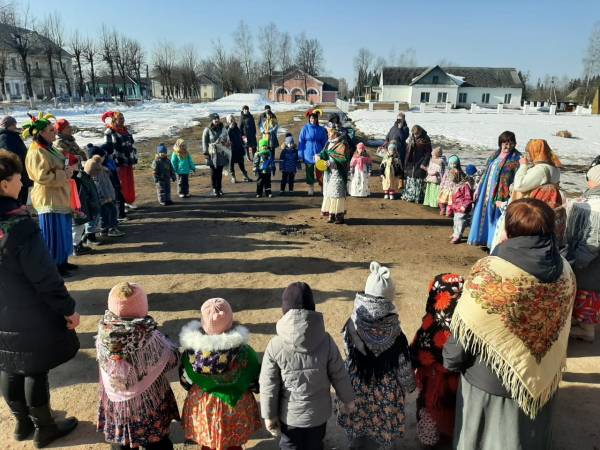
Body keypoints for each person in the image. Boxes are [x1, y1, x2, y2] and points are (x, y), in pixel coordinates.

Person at [444, 199, 577, 450]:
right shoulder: (566, 272)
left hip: (488, 384)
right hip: (541, 379)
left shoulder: (491, 272)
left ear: (510, 231)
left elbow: (466, 328)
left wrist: (451, 360)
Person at [0, 148, 80, 448]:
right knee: (34, 367)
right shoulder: (18, 226)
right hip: (28, 312)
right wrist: (67, 308)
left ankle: (21, 423)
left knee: (8, 364)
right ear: (4, 184)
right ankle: (44, 427)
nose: (23, 182)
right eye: (18, 178)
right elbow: (44, 277)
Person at [259, 282, 356, 450]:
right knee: (315, 445)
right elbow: (339, 373)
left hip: (289, 417)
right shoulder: (326, 341)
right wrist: (348, 400)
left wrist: (269, 415)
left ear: (284, 309)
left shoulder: (275, 345)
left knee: (290, 446)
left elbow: (268, 384)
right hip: (317, 417)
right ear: (312, 307)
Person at [338, 262, 416, 449]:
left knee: (357, 419)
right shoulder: (396, 333)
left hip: (356, 384)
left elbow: (347, 352)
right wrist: (410, 385)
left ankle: (356, 444)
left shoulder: (351, 324)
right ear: (389, 300)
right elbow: (403, 366)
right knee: (382, 423)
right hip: (386, 393)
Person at [97, 282, 180, 450]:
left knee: (124, 442)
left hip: (118, 405)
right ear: (143, 308)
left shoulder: (103, 336)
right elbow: (171, 359)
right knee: (157, 443)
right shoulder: (149, 337)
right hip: (149, 405)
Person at [179, 298, 261, 449]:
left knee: (208, 444)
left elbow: (185, 381)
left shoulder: (191, 352)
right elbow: (255, 382)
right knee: (233, 445)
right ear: (230, 320)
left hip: (204, 406)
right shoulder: (244, 351)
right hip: (235, 406)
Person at [410, 274, 464, 447]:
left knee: (430, 417)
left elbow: (415, 353)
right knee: (453, 417)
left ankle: (429, 442)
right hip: (457, 388)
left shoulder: (429, 324)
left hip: (432, 387)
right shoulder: (466, 329)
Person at [23, 113, 77, 277]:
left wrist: (69, 169)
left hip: (59, 195)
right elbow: (41, 177)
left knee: (63, 231)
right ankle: (53, 265)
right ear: (41, 133)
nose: (54, 132)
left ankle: (62, 261)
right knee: (53, 233)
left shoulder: (49, 147)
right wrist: (65, 174)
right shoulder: (37, 152)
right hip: (49, 198)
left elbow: (60, 165)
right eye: (50, 130)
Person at [467, 131, 521, 248]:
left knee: (496, 217)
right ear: (500, 143)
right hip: (486, 190)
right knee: (484, 214)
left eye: (511, 143)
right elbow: (486, 171)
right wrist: (478, 188)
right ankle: (482, 239)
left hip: (501, 193)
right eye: (505, 143)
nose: (508, 146)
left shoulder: (517, 158)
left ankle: (493, 243)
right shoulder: (494, 155)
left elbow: (518, 177)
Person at [565, 162, 600, 342]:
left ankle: (587, 331)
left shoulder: (597, 205)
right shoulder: (590, 199)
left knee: (588, 292)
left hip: (591, 261)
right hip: (587, 258)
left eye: (590, 179)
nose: (587, 182)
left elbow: (595, 238)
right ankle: (583, 324)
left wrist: (579, 258)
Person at [103, 111, 137, 217]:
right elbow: (109, 148)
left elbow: (131, 143)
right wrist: (114, 161)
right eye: (120, 118)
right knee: (120, 184)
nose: (122, 120)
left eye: (123, 118)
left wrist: (133, 156)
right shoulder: (110, 132)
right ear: (114, 120)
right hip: (118, 163)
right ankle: (121, 204)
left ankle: (128, 201)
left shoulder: (126, 130)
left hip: (128, 161)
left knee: (129, 182)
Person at [317, 126, 350, 224]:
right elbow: (324, 153)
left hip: (338, 173)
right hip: (328, 173)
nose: (328, 134)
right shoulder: (328, 143)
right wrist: (318, 157)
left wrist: (331, 163)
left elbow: (343, 160)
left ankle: (339, 215)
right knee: (329, 193)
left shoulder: (343, 144)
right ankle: (331, 215)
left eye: (329, 132)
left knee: (337, 194)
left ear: (335, 133)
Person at [87, 155, 125, 238]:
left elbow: (107, 185)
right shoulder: (97, 173)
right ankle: (110, 229)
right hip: (105, 198)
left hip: (108, 196)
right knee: (108, 213)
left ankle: (106, 229)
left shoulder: (102, 171)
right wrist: (106, 197)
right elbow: (100, 187)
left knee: (108, 213)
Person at [0, 115, 32, 204]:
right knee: (18, 201)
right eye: (14, 124)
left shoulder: (10, 136)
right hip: (15, 177)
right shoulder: (6, 138)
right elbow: (9, 158)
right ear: (10, 125)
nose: (15, 126)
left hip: (19, 176)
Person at [74, 156, 100, 254]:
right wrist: (92, 204)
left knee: (82, 227)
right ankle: (77, 245)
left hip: (87, 206)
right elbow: (83, 195)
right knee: (79, 227)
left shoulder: (85, 178)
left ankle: (80, 243)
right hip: (83, 207)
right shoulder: (82, 179)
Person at [298, 108, 327, 196]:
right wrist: (300, 154)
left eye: (314, 118)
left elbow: (325, 142)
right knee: (309, 172)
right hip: (308, 153)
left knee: (320, 171)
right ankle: (311, 187)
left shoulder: (321, 129)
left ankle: (322, 187)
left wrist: (324, 153)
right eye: (311, 118)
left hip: (319, 152)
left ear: (317, 119)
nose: (312, 120)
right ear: (309, 119)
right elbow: (301, 141)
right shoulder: (305, 128)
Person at [402, 125, 432, 203]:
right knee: (410, 178)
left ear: (420, 132)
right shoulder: (411, 137)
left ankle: (417, 197)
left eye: (416, 134)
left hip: (420, 160)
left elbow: (428, 153)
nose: (415, 136)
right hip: (411, 161)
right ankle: (409, 195)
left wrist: (424, 163)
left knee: (418, 179)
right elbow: (408, 148)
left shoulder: (426, 138)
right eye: (414, 134)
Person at [203, 113, 230, 198]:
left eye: (218, 119)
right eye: (215, 119)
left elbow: (226, 138)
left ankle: (219, 188)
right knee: (213, 172)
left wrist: (226, 144)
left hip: (221, 153)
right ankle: (214, 188)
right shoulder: (207, 130)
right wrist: (206, 153)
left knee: (219, 172)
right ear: (212, 120)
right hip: (212, 154)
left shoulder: (223, 129)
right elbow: (204, 142)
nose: (217, 120)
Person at [449, 163, 474, 244]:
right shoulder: (457, 185)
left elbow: (469, 197)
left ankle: (458, 236)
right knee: (455, 220)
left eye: (453, 178)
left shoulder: (465, 185)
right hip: (456, 207)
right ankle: (455, 233)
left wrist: (464, 206)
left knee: (460, 221)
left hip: (463, 208)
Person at [226, 114, 251, 183]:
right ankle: (233, 177)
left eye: (232, 118)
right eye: (230, 119)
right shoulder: (226, 128)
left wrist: (244, 142)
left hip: (239, 148)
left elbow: (241, 136)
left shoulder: (237, 128)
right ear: (227, 121)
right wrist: (230, 129)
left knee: (241, 163)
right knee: (231, 164)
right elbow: (226, 137)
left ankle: (245, 176)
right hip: (231, 150)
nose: (232, 120)